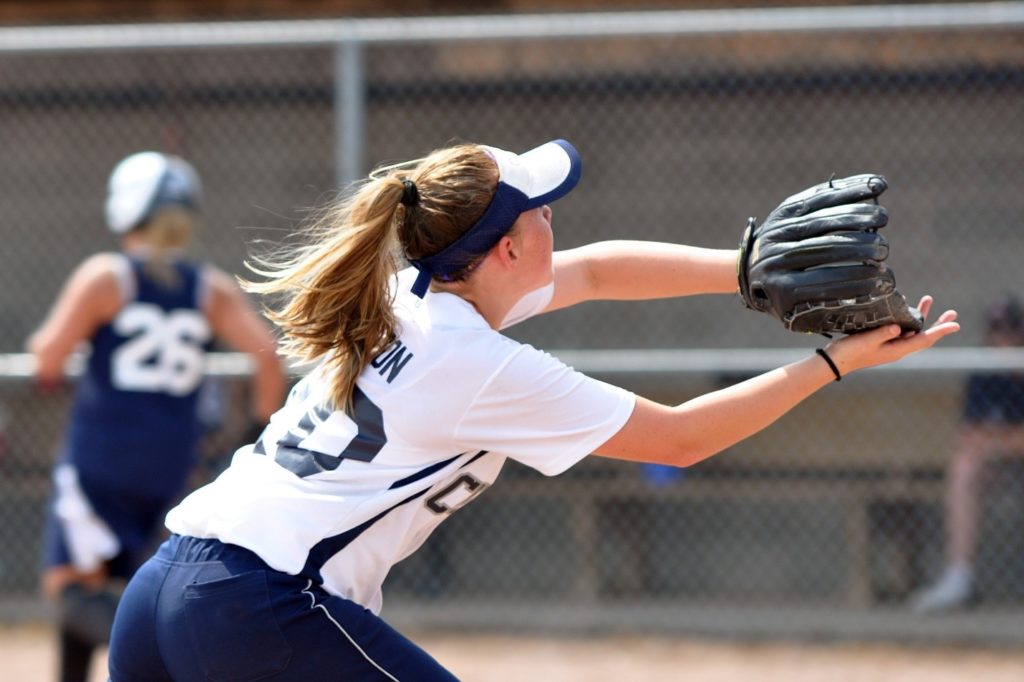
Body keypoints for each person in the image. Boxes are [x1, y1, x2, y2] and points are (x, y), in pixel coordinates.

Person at [106, 139, 959, 681]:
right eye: (541, 210)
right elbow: (683, 436)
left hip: (164, 588)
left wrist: (745, 270)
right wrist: (831, 362)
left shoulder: (413, 294)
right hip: (259, 606)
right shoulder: (473, 362)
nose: (556, 219)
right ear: (507, 250)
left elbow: (591, 272)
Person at [29, 151, 287, 682]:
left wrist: (48, 350)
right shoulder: (208, 288)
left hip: (101, 456)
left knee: (69, 583)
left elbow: (48, 357)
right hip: (171, 460)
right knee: (106, 578)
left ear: (126, 210)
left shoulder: (105, 278)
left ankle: (173, 662)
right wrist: (255, 431)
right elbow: (268, 360)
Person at [911, 295, 1024, 613]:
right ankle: (959, 578)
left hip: (1000, 452)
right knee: (964, 469)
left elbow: (987, 437)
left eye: (1010, 330)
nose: (1003, 339)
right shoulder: (984, 370)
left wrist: (998, 440)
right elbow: (969, 437)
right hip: (999, 463)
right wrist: (1006, 442)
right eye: (996, 331)